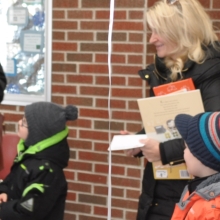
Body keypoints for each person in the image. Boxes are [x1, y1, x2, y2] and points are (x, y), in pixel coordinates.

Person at [122, 0, 220, 219]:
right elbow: (164, 124)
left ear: (181, 30)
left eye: (158, 31)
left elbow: (215, 133)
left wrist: (164, 151)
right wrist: (140, 140)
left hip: (194, 194)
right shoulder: (164, 69)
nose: (152, 39)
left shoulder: (214, 71)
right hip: (157, 190)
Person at [0, 101, 78, 220]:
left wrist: (3, 209)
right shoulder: (28, 155)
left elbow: (29, 210)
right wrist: (4, 191)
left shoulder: (47, 172)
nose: (19, 122)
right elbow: (11, 180)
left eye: (24, 122)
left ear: (37, 134)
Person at [171, 112, 220, 220]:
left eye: (187, 147)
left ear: (203, 157)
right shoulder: (200, 189)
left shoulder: (212, 212)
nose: (184, 151)